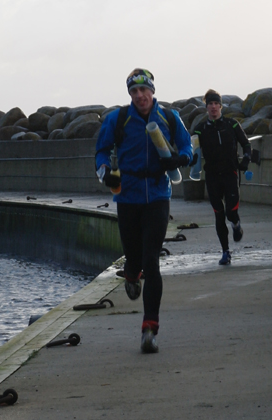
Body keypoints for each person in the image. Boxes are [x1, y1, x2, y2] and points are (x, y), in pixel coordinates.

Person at [95, 68, 193, 353]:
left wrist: (178, 158)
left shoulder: (169, 117)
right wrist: (105, 174)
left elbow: (187, 148)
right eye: (134, 92)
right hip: (127, 198)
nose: (140, 96)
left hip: (158, 196)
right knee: (134, 259)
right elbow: (101, 151)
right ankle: (130, 274)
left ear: (152, 90)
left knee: (152, 260)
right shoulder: (118, 119)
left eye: (144, 90)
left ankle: (149, 329)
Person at [193, 89, 251, 265]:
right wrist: (190, 160)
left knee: (231, 212)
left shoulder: (232, 125)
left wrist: (246, 159)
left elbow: (246, 145)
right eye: (210, 104)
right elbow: (193, 150)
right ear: (206, 107)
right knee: (218, 214)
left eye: (216, 104)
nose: (213, 107)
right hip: (212, 176)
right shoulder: (200, 129)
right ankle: (225, 252)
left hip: (231, 173)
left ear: (221, 106)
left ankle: (236, 224)